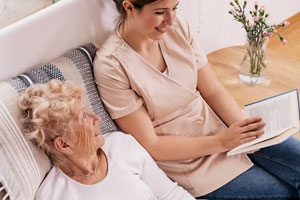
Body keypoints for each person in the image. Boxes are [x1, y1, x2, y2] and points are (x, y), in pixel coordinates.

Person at [93, 0, 300, 199]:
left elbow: (212, 90)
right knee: (286, 193)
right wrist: (222, 142)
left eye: (175, 8)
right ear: (129, 7)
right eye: (160, 12)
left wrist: (242, 127)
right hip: (191, 163)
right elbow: (152, 145)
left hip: (223, 127)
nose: (171, 20)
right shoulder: (112, 66)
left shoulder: (177, 28)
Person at [18, 79, 195, 200]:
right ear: (64, 144)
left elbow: (171, 195)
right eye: (82, 117)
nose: (96, 118)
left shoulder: (122, 145)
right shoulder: (53, 195)